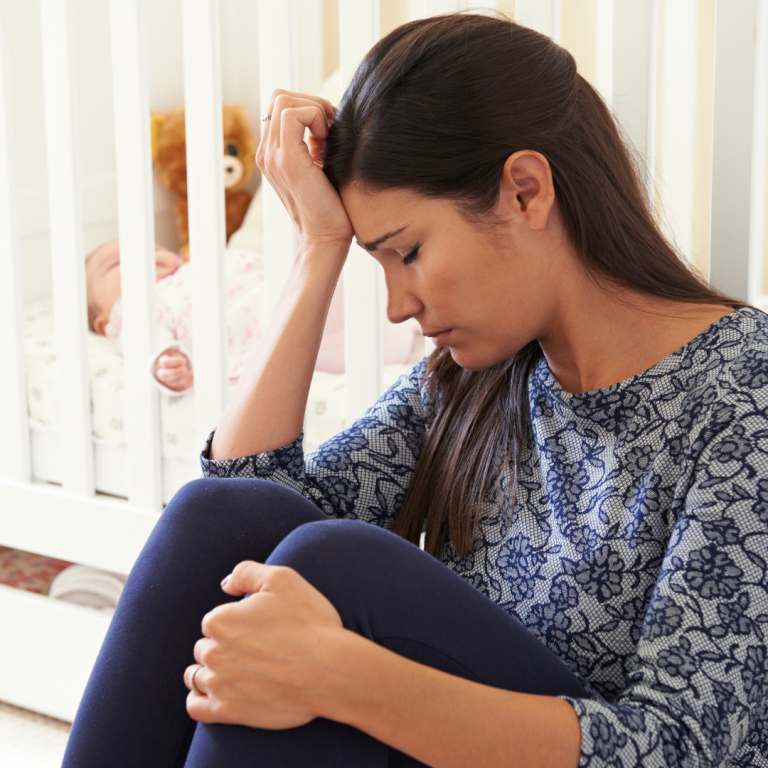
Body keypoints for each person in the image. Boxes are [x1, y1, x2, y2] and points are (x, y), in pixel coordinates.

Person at [64, 13, 768, 768]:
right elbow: (246, 514)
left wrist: (345, 679)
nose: (397, 306)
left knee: (336, 563)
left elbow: (692, 747)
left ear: (525, 192)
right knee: (217, 513)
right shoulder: (479, 375)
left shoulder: (743, 389)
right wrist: (318, 248)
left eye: (408, 252)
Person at [85, 239, 420, 394]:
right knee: (326, 260)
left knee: (332, 263)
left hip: (362, 319)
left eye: (155, 247)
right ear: (103, 324)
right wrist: (164, 359)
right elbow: (142, 335)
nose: (143, 254)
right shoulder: (136, 307)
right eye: (117, 263)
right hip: (295, 335)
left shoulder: (200, 264)